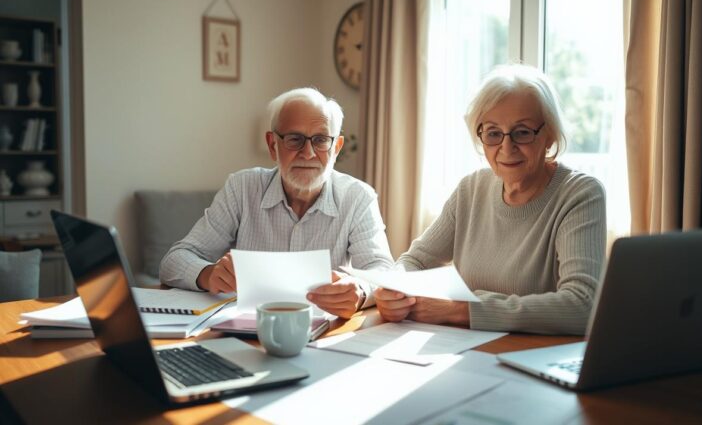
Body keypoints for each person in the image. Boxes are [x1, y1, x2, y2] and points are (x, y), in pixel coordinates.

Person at [374, 64, 606, 335]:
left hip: (533, 357)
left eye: (522, 132)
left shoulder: (579, 194)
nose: (506, 148)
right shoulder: (470, 190)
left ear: (550, 134)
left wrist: (462, 310)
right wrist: (396, 288)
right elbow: (416, 260)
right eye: (494, 133)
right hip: (464, 351)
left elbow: (583, 306)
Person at [160, 87, 393, 318]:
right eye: (295, 139)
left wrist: (360, 291)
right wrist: (208, 274)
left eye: (321, 140)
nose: (308, 153)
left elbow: (384, 272)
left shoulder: (358, 197)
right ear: (273, 145)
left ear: (336, 148)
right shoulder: (241, 188)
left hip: (327, 335)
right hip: (247, 332)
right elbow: (174, 260)